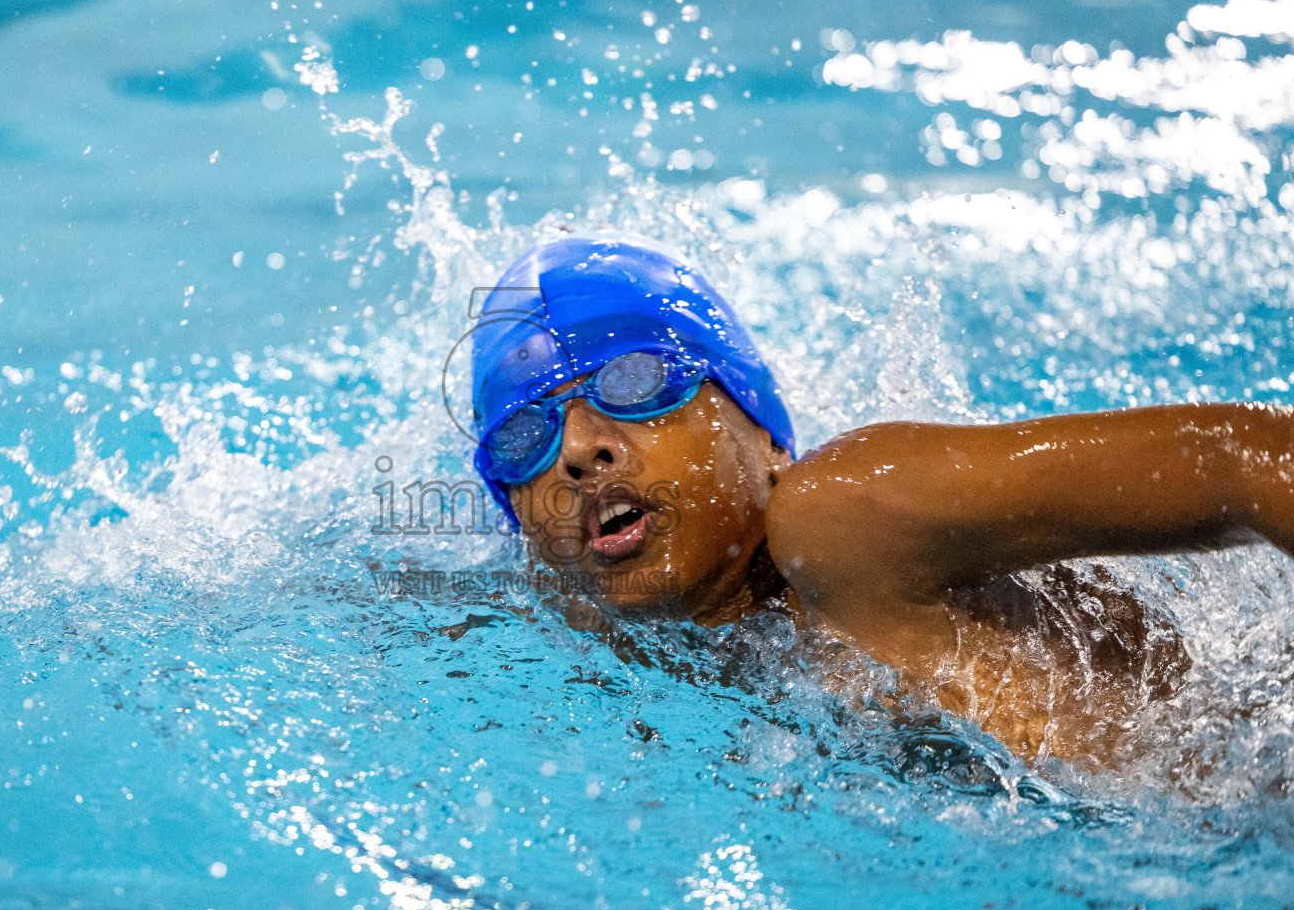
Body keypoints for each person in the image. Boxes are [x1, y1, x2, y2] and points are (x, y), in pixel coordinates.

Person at [467, 233, 1292, 766]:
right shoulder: (596, 641)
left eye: (633, 382)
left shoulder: (845, 516)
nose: (575, 450)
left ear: (760, 429)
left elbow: (1239, 462)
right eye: (521, 437)